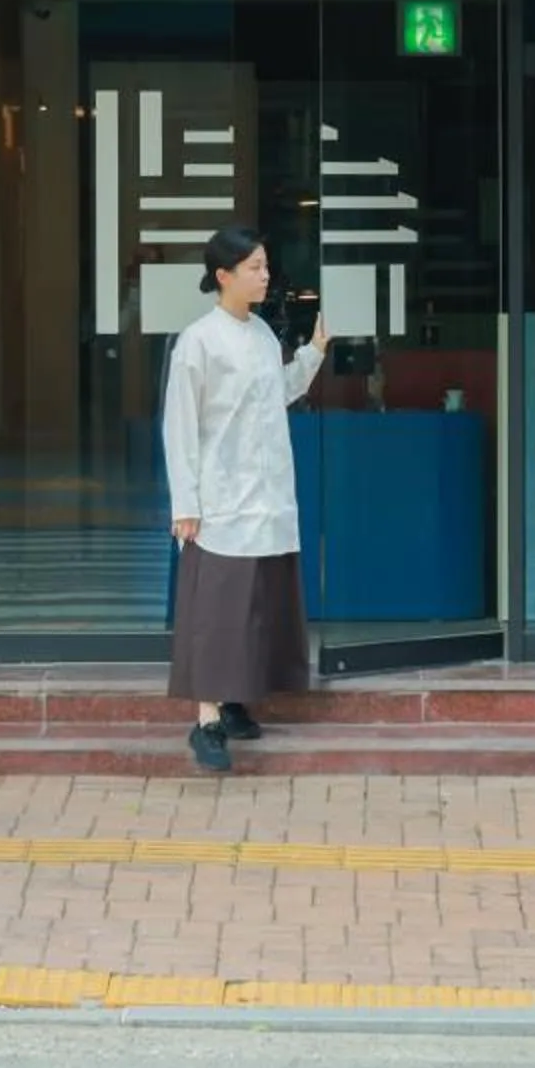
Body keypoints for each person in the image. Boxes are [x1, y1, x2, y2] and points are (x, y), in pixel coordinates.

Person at [161, 225, 330, 774]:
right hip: (220, 499)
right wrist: (185, 503)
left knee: (256, 607)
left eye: (265, 265)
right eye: (255, 267)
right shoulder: (198, 341)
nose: (265, 275)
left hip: (267, 495)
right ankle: (206, 719)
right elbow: (180, 426)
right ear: (223, 276)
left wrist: (313, 354)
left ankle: (234, 701)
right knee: (216, 613)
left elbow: (276, 394)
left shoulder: (259, 333)